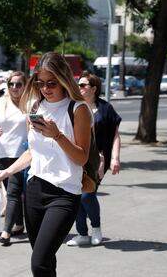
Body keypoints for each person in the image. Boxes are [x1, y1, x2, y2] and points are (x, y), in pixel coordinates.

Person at [0, 52, 92, 276]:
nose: (45, 88)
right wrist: (5, 172)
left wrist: (58, 136)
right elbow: (32, 152)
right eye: (40, 83)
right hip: (35, 190)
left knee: (39, 262)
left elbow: (81, 158)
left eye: (51, 83)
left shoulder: (78, 109)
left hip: (64, 194)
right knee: (45, 261)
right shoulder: (35, 108)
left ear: (63, 79)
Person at [66, 72, 121, 247]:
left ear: (94, 88)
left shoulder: (105, 109)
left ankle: (96, 228)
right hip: (75, 156)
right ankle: (82, 233)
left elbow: (115, 136)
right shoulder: (74, 106)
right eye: (78, 85)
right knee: (75, 195)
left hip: (98, 160)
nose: (79, 88)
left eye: (83, 85)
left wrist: (115, 158)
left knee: (86, 195)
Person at [0, 71, 28, 246]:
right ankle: (18, 223)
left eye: (19, 84)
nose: (15, 88)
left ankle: (6, 232)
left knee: (13, 193)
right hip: (2, 154)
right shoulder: (0, 102)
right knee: (11, 190)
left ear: (25, 86)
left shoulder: (30, 103)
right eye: (12, 84)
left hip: (21, 155)